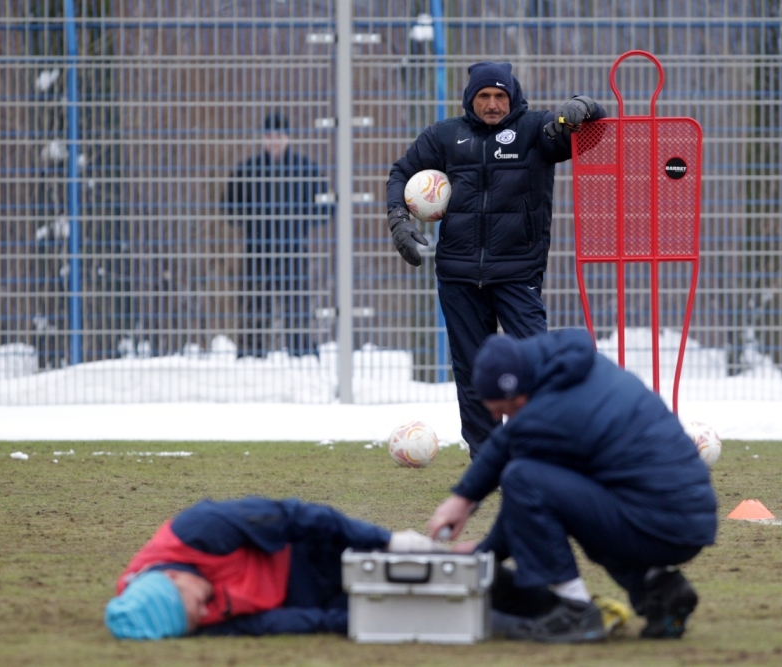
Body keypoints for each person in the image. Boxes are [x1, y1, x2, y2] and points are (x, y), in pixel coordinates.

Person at [427, 329, 719, 643]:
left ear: (518, 391)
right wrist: (467, 506)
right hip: (682, 517)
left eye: (504, 410)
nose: (504, 418)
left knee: (523, 478)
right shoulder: (578, 371)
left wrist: (483, 547)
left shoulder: (555, 412)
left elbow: (522, 482)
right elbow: (512, 451)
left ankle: (574, 608)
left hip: (660, 522)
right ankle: (661, 590)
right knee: (585, 510)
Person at [385, 62, 606, 457]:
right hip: (458, 273)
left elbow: (591, 133)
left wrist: (584, 106)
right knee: (473, 372)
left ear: (513, 96)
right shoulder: (445, 136)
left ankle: (539, 452)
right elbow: (401, 173)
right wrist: (399, 219)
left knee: (534, 364)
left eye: (500, 96)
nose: (492, 104)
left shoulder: (538, 130)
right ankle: (488, 458)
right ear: (471, 99)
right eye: (483, 96)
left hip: (518, 271)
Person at [104, 496, 440, 639]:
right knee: (397, 612)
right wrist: (353, 622)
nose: (207, 611)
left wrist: (384, 541)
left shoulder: (200, 529)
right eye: (198, 620)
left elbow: (293, 516)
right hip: (295, 599)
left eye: (196, 606)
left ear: (173, 576)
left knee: (415, 571)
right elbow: (261, 624)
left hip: (307, 554)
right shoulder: (162, 618)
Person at [226, 112, 326, 358]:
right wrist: (252, 220)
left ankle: (301, 357)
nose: (274, 141)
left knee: (297, 307)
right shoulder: (248, 170)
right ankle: (251, 356)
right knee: (254, 307)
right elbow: (229, 208)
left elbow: (325, 208)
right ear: (262, 139)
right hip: (257, 250)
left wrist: (302, 219)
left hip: (293, 248)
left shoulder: (306, 169)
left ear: (288, 138)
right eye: (269, 136)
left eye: (278, 136)